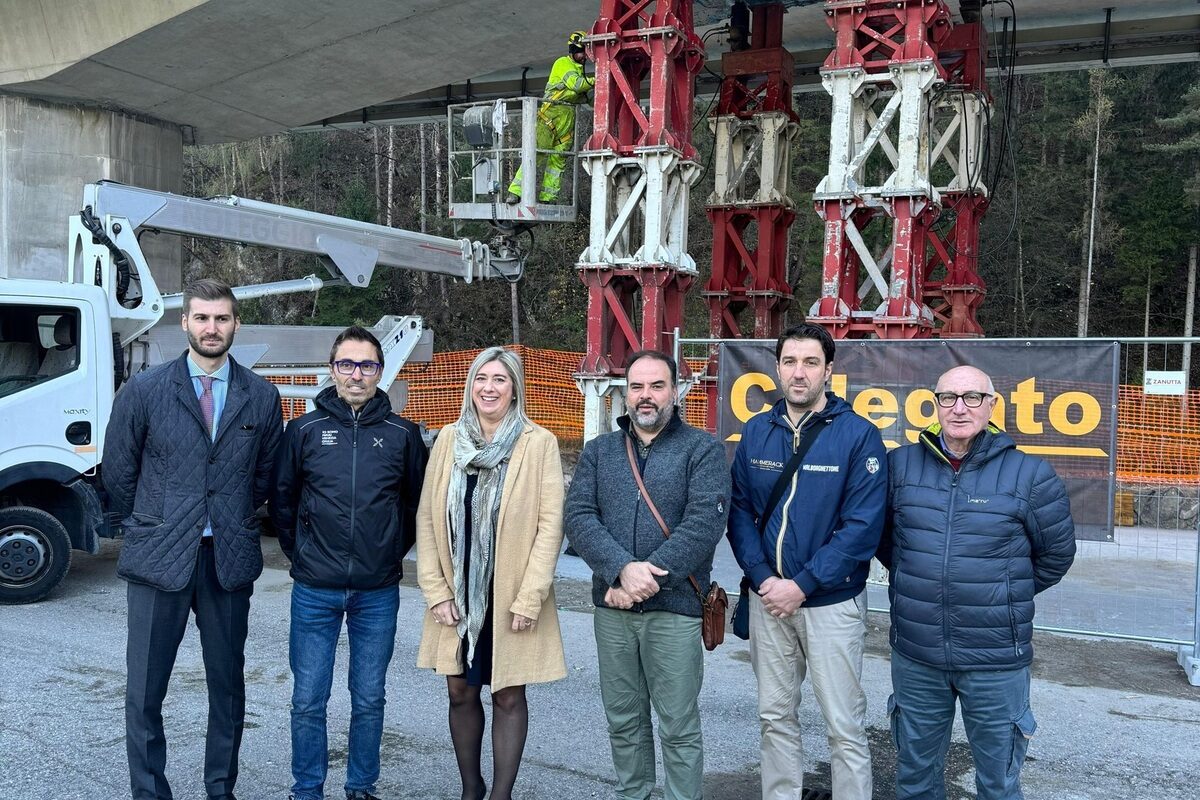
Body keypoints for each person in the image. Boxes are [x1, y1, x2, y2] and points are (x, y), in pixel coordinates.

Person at [102, 278, 283, 800]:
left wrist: (229, 516)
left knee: (227, 687)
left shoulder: (261, 395)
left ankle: (219, 788)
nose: (211, 328)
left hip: (227, 560)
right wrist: (156, 519)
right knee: (145, 690)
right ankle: (149, 792)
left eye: (221, 318)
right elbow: (119, 470)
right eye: (201, 318)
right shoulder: (145, 390)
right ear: (184, 322)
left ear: (235, 324)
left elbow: (265, 477)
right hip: (159, 559)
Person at [877, 365, 1076, 800]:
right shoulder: (900, 467)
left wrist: (1001, 591)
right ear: (934, 405)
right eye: (948, 397)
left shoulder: (1029, 475)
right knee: (914, 778)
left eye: (972, 397)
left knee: (998, 783)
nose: (960, 407)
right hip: (917, 652)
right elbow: (885, 541)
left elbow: (1057, 555)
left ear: (991, 405)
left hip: (996, 660)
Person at [727, 322, 887, 800]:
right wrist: (761, 579)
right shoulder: (757, 431)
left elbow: (862, 529)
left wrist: (802, 585)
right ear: (777, 368)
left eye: (810, 362)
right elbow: (739, 512)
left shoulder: (859, 436)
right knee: (774, 717)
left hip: (830, 604)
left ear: (829, 370)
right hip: (768, 600)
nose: (799, 373)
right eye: (790, 362)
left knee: (844, 724)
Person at [270, 325, 429, 800]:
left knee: (369, 699)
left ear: (380, 372)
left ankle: (360, 786)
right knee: (307, 699)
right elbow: (283, 501)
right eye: (347, 364)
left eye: (367, 366)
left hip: (377, 592)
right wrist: (303, 553)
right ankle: (307, 790)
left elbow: (416, 504)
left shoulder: (404, 435)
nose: (356, 375)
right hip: (314, 589)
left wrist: (388, 551)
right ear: (332, 368)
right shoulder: (303, 431)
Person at [564, 350, 731, 800]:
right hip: (613, 609)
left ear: (675, 391)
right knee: (624, 720)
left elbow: (703, 525)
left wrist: (647, 580)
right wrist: (620, 571)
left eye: (657, 386)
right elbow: (579, 516)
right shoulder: (600, 451)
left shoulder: (703, 449)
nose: (646, 396)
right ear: (626, 393)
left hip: (674, 611)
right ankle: (632, 794)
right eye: (637, 386)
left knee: (677, 724)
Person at [416, 346, 566, 800]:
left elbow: (549, 526)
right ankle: (471, 789)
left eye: (500, 379)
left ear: (515, 388)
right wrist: (435, 590)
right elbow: (426, 516)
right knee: (460, 692)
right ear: (470, 385)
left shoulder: (537, 442)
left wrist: (530, 597)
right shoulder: (447, 440)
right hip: (456, 593)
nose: (489, 387)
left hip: (509, 594)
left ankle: (501, 794)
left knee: (506, 695)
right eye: (482, 378)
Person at [505, 30, 594, 205]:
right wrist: (599, 79)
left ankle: (548, 198)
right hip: (549, 117)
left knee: (558, 162)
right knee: (535, 154)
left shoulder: (580, 70)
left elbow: (585, 97)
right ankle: (515, 192)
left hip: (566, 122)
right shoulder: (563, 64)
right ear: (575, 49)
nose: (586, 56)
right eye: (583, 51)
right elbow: (577, 86)